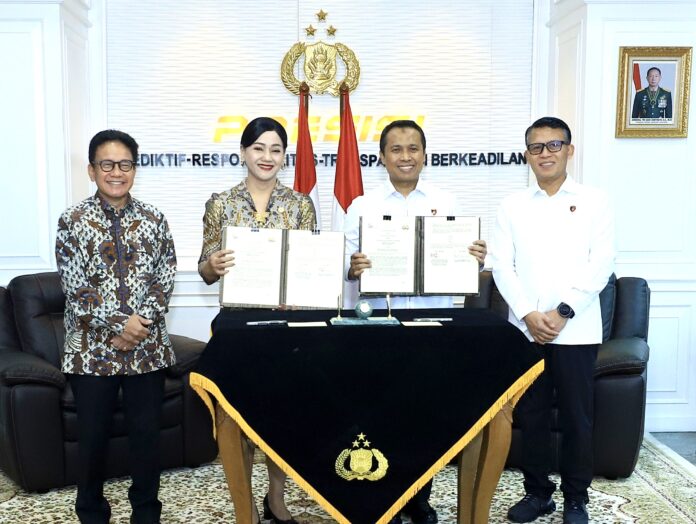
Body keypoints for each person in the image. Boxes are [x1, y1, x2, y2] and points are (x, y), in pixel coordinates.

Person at [344, 119, 487, 524]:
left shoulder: (447, 202)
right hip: (379, 327)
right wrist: (353, 267)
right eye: (396, 149)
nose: (405, 156)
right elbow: (343, 267)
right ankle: (382, 497)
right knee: (379, 414)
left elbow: (465, 261)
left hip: (432, 323)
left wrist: (475, 258)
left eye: (413, 148)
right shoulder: (362, 207)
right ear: (382, 157)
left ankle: (419, 497)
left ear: (425, 155)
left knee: (426, 416)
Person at [490, 116, 615, 524]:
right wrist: (528, 314)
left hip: (576, 330)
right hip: (527, 333)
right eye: (536, 147)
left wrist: (562, 312)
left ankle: (576, 498)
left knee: (578, 419)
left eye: (554, 145)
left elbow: (602, 263)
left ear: (569, 150)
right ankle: (537, 493)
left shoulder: (595, 201)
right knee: (532, 417)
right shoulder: (512, 205)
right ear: (527, 155)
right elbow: (502, 266)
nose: (545, 153)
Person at [197, 116, 315, 524]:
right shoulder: (221, 203)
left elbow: (310, 267)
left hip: (286, 327)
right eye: (259, 148)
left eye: (276, 149)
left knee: (282, 418)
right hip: (239, 327)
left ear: (284, 156)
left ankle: (276, 500)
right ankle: (244, 505)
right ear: (243, 152)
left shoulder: (300, 204)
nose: (267, 157)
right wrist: (213, 264)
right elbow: (205, 270)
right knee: (240, 416)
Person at [55, 129, 177, 524]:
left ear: (134, 170)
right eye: (107, 164)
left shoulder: (154, 218)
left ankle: (146, 513)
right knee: (92, 441)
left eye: (125, 164)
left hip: (147, 349)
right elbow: (76, 288)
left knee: (146, 439)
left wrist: (140, 324)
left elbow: (165, 276)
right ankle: (91, 513)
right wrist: (120, 325)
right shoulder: (72, 220)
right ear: (92, 171)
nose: (116, 172)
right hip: (91, 351)